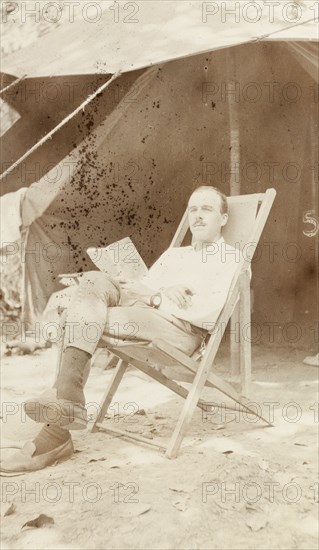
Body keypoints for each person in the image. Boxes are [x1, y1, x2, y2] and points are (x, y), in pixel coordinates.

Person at [0, 186, 239, 474]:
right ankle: (66, 404)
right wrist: (151, 292)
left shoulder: (231, 258)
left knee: (80, 315)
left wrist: (156, 296)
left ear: (223, 219)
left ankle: (57, 429)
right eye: (193, 209)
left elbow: (208, 314)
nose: (198, 216)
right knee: (94, 280)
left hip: (181, 331)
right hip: (146, 314)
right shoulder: (175, 255)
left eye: (207, 209)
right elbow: (142, 290)